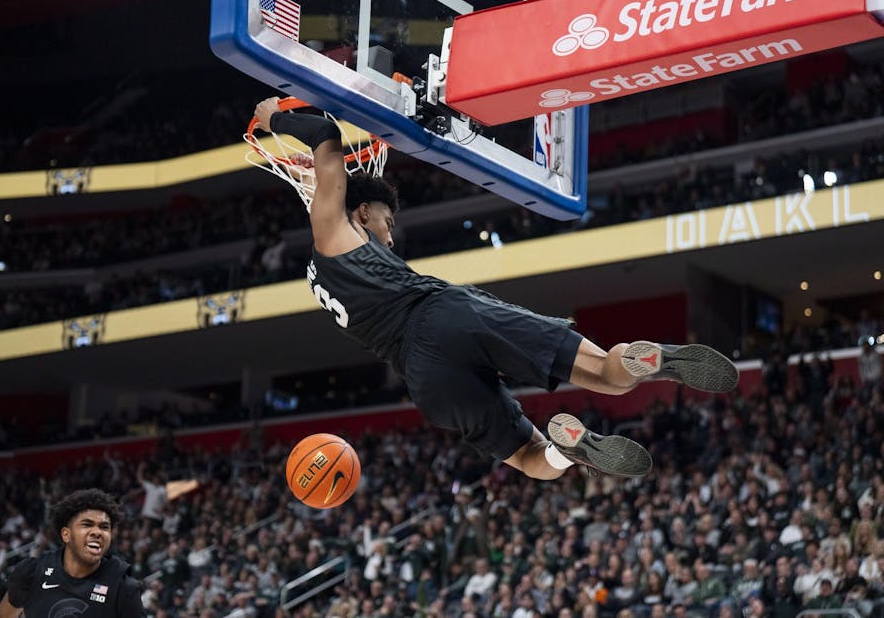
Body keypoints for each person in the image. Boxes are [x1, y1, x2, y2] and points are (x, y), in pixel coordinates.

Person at [253, 97, 739, 480]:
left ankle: (569, 454)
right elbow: (325, 134)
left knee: (528, 456)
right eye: (387, 220)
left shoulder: (320, 276)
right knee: (604, 374)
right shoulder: (334, 226)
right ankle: (640, 359)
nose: (391, 234)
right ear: (363, 213)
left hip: (423, 378)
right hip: (444, 313)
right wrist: (275, 118)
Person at [0, 488, 142, 618]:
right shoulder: (32, 573)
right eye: (87, 524)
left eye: (104, 527)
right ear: (66, 535)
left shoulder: (123, 588)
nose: (97, 532)